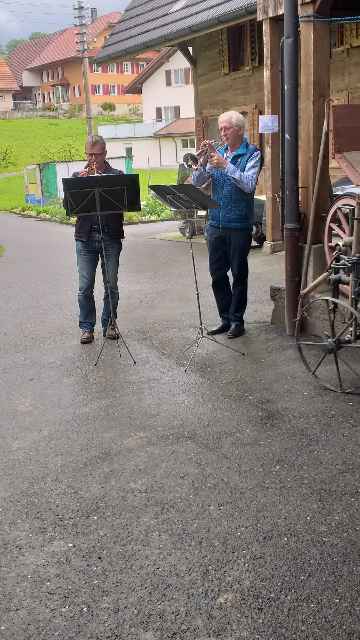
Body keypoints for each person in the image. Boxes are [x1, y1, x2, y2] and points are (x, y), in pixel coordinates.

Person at [192, 111, 262, 339]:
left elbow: (249, 185)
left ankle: (237, 321)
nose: (221, 133)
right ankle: (225, 318)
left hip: (239, 224)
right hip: (215, 223)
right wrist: (200, 163)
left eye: (226, 129)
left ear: (239, 130)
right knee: (217, 275)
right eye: (220, 129)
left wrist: (225, 165)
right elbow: (199, 183)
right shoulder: (218, 152)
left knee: (239, 275)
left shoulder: (252, 154)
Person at [73, 135, 124, 344]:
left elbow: (124, 205)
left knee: (111, 285)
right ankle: (87, 327)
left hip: (110, 236)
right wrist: (81, 183)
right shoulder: (77, 176)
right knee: (85, 287)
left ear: (105, 153)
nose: (93, 158)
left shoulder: (117, 175)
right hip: (85, 237)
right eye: (89, 154)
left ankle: (110, 323)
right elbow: (70, 208)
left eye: (97, 154)